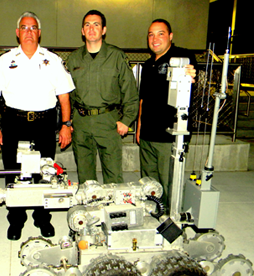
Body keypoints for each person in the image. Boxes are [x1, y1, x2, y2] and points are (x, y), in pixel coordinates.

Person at [0, 11, 75, 241]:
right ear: (18, 33)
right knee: (14, 173)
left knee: (44, 172)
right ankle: (16, 219)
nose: (29, 32)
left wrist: (66, 125)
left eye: (33, 28)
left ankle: (42, 218)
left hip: (44, 124)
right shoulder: (5, 61)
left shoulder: (53, 60)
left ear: (39, 32)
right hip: (13, 123)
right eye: (24, 28)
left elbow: (64, 97)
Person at [66, 10, 139, 185]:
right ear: (82, 31)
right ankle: (91, 208)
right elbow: (67, 94)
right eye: (87, 25)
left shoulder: (116, 56)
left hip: (108, 121)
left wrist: (127, 120)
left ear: (104, 30)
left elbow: (130, 91)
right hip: (81, 122)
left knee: (113, 174)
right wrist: (68, 122)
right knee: (85, 175)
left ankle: (112, 210)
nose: (91, 29)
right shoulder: (74, 59)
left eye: (96, 25)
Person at [136, 19, 197, 209]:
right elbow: (142, 99)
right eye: (151, 34)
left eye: (160, 33)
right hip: (148, 134)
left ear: (170, 36)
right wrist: (139, 127)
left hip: (170, 135)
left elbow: (191, 74)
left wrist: (192, 74)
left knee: (169, 183)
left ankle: (170, 220)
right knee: (149, 183)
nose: (155, 38)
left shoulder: (182, 58)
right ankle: (153, 214)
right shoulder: (147, 65)